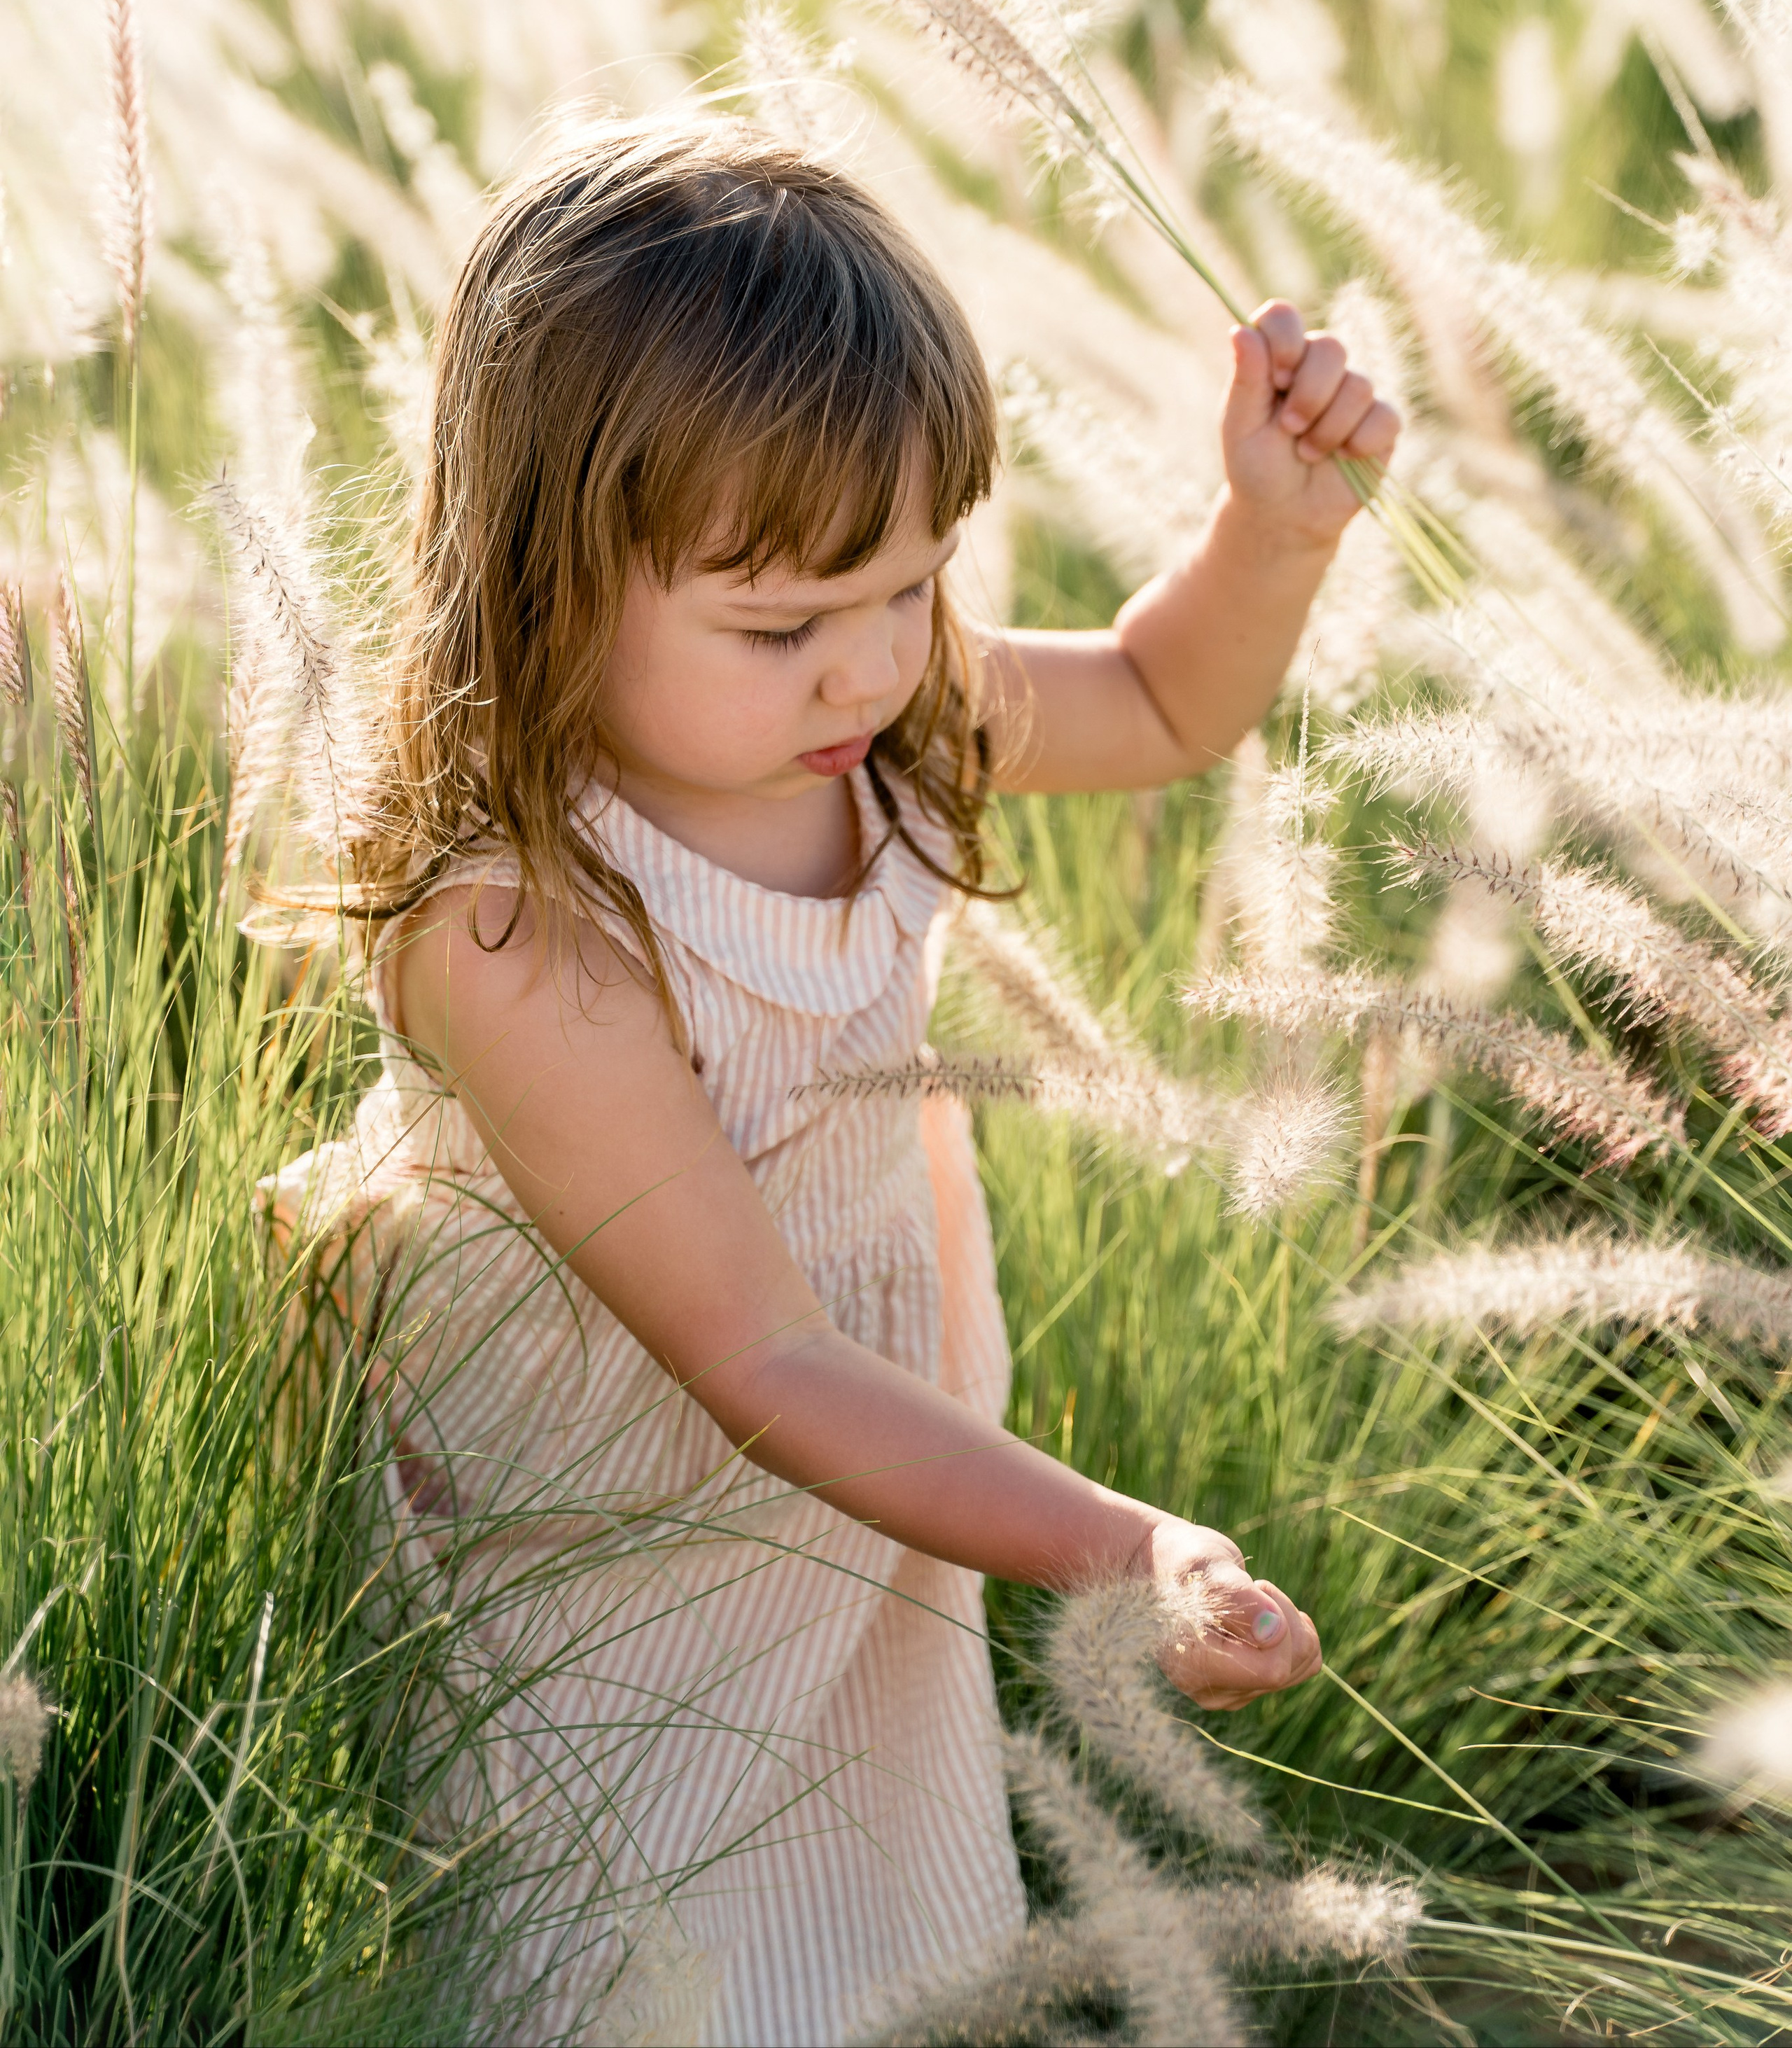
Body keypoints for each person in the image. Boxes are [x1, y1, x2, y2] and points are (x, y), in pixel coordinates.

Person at [266, 118, 1397, 2046]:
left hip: (873, 1483)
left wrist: (1273, 531)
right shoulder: (522, 926)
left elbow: (1158, 697)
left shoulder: (881, 720)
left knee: (872, 1934)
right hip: (606, 1549)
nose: (870, 663)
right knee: (635, 1972)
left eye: (914, 579)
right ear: (551, 581)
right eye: (783, 621)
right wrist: (1138, 1548)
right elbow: (763, 1361)